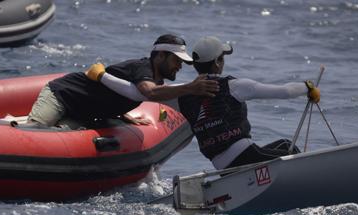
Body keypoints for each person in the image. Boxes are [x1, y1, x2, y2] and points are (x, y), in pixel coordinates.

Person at [86, 36, 320, 170]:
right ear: (218, 63)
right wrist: (309, 87)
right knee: (291, 151)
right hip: (246, 158)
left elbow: (142, 95)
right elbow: (285, 92)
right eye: (223, 58)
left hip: (220, 167)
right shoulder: (235, 86)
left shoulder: (180, 94)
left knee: (283, 145)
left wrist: (103, 76)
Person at [27, 34, 218, 129]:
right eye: (177, 60)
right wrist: (191, 87)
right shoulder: (142, 68)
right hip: (62, 95)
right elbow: (148, 92)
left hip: (80, 112)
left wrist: (124, 116)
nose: (180, 66)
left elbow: (117, 93)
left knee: (57, 137)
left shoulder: (156, 81)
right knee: (34, 131)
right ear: (160, 56)